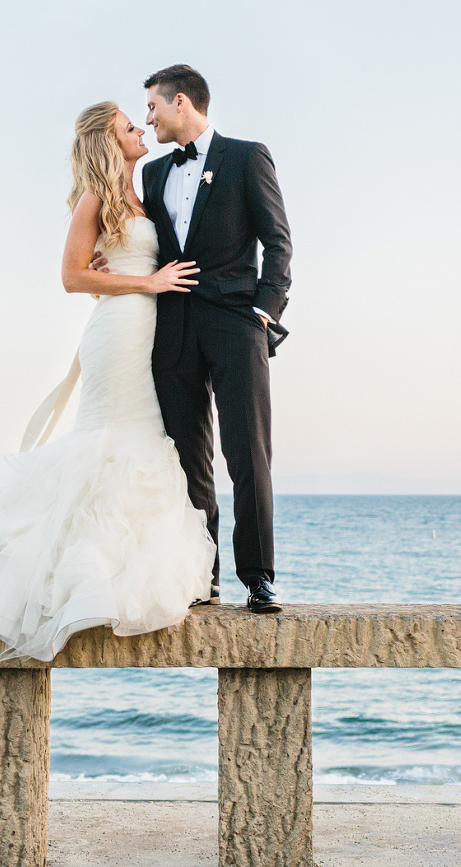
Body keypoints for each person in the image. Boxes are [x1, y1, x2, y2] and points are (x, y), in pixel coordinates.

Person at [0, 101, 217, 662]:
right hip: (119, 334)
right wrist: (147, 282)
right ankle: (69, 578)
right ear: (109, 141)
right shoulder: (94, 198)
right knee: (110, 439)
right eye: (130, 126)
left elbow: (111, 269)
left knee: (145, 441)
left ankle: (122, 572)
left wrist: (135, 281)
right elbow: (71, 276)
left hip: (147, 327)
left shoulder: (141, 194)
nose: (141, 129)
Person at [94, 65, 292, 613]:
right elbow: (146, 244)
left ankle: (258, 577)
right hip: (172, 331)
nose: (149, 119)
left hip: (237, 326)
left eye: (152, 108)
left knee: (248, 452)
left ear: (180, 102)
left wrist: (264, 313)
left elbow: (278, 241)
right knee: (187, 460)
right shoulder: (154, 175)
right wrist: (107, 260)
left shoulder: (248, 157)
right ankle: (204, 577)